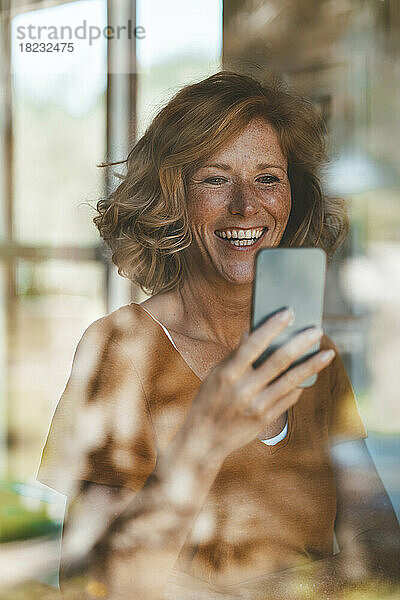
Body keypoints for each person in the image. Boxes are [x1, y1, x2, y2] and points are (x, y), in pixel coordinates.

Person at [37, 71, 400, 600]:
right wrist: (202, 441)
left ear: (292, 196)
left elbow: (374, 539)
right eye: (215, 178)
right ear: (172, 196)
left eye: (268, 178)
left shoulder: (312, 352)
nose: (246, 206)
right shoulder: (122, 348)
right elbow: (92, 582)